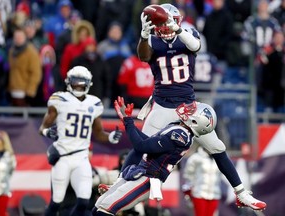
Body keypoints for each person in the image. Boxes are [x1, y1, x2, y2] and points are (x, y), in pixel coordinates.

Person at [121, 3, 266, 211]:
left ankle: (241, 192)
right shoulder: (152, 40)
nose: (164, 27)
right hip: (162, 105)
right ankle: (119, 182)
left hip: (188, 108)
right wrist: (144, 36)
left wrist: (177, 29)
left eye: (168, 22)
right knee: (140, 146)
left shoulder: (187, 34)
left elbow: (195, 46)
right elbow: (143, 56)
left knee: (217, 148)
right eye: (162, 23)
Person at [92, 96, 217, 216]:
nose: (188, 110)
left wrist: (128, 122)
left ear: (196, 121)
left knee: (105, 209)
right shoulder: (178, 127)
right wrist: (127, 120)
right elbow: (148, 141)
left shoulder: (180, 136)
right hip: (141, 172)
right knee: (98, 206)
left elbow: (141, 146)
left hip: (148, 178)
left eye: (193, 112)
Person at [39, 65, 122, 216]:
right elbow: (43, 127)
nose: (78, 85)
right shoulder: (59, 99)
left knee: (84, 201)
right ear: (68, 82)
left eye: (81, 82)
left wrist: (110, 137)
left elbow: (98, 132)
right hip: (62, 157)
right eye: (75, 82)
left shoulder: (94, 103)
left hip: (82, 157)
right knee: (56, 202)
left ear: (88, 83)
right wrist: (47, 132)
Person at [182, 146, 222, 216]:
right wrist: (191, 188)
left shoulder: (220, 157)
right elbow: (188, 174)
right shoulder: (196, 157)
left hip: (215, 193)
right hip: (199, 193)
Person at [0, 131, 17, 216]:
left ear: (2, 141)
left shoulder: (9, 156)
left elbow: (11, 171)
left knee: (0, 213)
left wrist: (3, 181)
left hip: (3, 190)